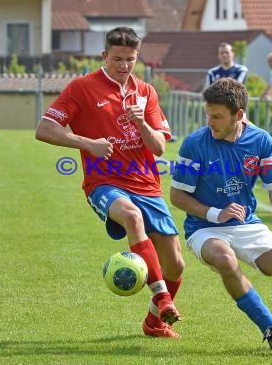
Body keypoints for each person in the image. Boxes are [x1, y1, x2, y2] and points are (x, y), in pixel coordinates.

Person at [34, 26, 184, 338]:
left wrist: (141, 121)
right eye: (117, 59)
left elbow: (158, 147)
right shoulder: (82, 88)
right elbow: (45, 129)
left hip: (147, 184)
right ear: (104, 56)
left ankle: (155, 323)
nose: (123, 65)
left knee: (176, 266)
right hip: (104, 182)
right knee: (132, 217)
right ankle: (162, 297)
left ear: (137, 58)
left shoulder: (146, 92)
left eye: (130, 59)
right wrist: (87, 143)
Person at [170, 77, 272, 351]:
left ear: (239, 115)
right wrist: (216, 213)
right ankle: (271, 328)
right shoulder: (194, 144)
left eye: (217, 116)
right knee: (225, 259)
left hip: (247, 224)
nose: (210, 122)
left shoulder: (261, 140)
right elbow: (177, 196)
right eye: (208, 115)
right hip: (205, 228)